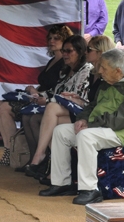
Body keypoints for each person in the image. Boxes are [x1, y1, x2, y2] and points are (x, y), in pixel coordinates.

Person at [44, 49, 124, 204]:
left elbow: (122, 120)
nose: (99, 71)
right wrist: (83, 118)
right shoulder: (106, 81)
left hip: (118, 132)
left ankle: (90, 189)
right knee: (60, 132)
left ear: (118, 71)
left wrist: (90, 124)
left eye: (104, 68)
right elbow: (92, 105)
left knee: (85, 136)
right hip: (97, 126)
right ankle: (61, 183)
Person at [0, 24, 72, 166]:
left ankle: (12, 152)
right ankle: (9, 150)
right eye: (50, 38)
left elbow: (58, 88)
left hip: (47, 101)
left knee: (4, 108)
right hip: (39, 98)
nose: (52, 41)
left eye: (56, 38)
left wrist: (36, 92)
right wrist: (32, 90)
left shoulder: (65, 63)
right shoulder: (53, 60)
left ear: (65, 40)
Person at [23, 35, 94, 179]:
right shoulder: (65, 70)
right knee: (33, 118)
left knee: (51, 109)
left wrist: (48, 100)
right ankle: (48, 164)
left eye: (69, 51)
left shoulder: (86, 70)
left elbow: (79, 97)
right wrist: (38, 94)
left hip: (81, 112)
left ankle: (40, 157)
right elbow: (55, 91)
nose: (65, 54)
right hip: (65, 111)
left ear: (80, 51)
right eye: (63, 51)